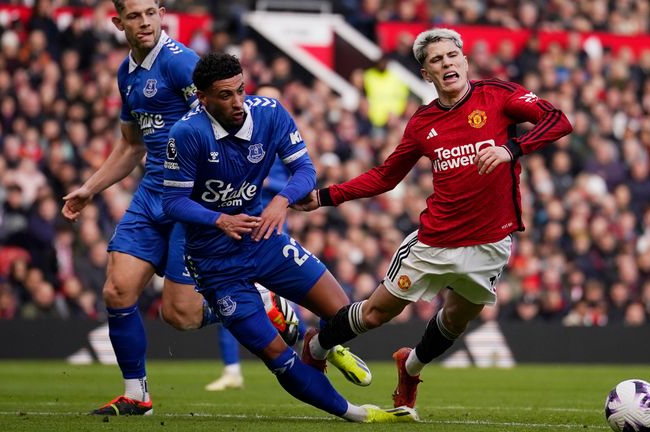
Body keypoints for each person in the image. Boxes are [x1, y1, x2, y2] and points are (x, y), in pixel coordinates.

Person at [293, 28, 573, 408]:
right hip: (434, 243)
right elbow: (385, 176)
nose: (447, 63)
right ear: (427, 74)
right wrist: (325, 196)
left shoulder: (499, 96)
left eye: (452, 55)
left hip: (491, 243)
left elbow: (559, 121)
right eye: (436, 60)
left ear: (465, 60)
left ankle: (409, 368)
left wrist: (513, 148)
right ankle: (319, 343)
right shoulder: (423, 124)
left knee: (456, 321)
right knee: (376, 314)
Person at [162, 52, 411, 423]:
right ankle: (357, 414)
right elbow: (173, 202)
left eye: (240, 90)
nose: (237, 102)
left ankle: (318, 343)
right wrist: (219, 220)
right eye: (225, 95)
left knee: (342, 313)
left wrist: (280, 201)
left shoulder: (269, 113)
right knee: (278, 357)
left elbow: (305, 170)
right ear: (203, 98)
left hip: (264, 240)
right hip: (216, 264)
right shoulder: (187, 133)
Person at [61, 0, 206, 415]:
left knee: (180, 315)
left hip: (189, 196)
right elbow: (130, 144)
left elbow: (216, 124)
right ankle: (136, 393)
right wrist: (89, 188)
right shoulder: (126, 73)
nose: (144, 22)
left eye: (150, 12)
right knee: (117, 289)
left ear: (161, 13)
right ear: (117, 22)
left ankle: (262, 303)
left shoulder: (182, 64)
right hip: (150, 194)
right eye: (134, 16)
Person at [204, 86, 367, 392]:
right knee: (236, 300)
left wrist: (269, 185)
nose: (256, 105)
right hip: (230, 227)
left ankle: (326, 346)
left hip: (270, 226)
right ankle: (232, 368)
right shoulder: (227, 135)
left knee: (283, 302)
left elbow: (300, 175)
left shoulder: (275, 129)